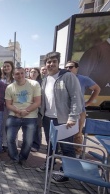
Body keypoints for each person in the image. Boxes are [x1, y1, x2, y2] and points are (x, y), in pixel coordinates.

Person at [36, 52, 83, 183]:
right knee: (51, 145)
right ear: (45, 64)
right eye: (48, 62)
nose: (51, 64)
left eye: (54, 62)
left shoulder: (68, 76)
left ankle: (66, 172)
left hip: (64, 120)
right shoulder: (45, 79)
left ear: (58, 63)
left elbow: (76, 97)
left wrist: (73, 117)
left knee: (67, 147)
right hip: (47, 118)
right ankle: (50, 164)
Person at [4, 67, 41, 169]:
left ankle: (23, 159)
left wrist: (26, 111)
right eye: (17, 74)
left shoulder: (34, 84)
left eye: (21, 73)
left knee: (28, 141)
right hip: (14, 115)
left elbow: (37, 102)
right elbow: (8, 104)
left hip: (30, 117)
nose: (19, 76)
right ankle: (14, 158)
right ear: (13, 75)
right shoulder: (10, 87)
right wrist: (18, 111)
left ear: (25, 73)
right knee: (10, 139)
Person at [65, 60, 100, 157]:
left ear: (77, 68)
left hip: (79, 111)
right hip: (65, 111)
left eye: (71, 67)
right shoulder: (63, 78)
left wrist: (88, 102)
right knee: (65, 132)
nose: (68, 69)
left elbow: (97, 89)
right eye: (66, 67)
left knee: (77, 133)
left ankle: (77, 152)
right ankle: (65, 151)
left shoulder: (84, 79)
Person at [28, 67, 43, 152]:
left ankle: (36, 145)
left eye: (35, 72)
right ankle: (27, 143)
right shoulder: (26, 82)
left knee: (37, 128)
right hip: (28, 108)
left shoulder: (41, 83)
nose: (33, 73)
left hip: (37, 108)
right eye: (31, 72)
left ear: (38, 74)